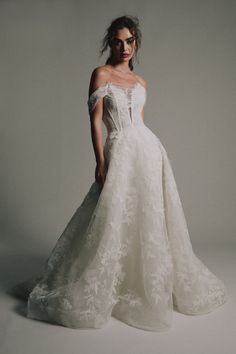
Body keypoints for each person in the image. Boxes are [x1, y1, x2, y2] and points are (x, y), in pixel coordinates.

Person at [13, 15, 228, 332]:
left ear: (136, 42)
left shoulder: (141, 81)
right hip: (120, 149)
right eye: (117, 41)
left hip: (149, 150)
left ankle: (142, 279)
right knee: (111, 213)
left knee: (148, 213)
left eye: (129, 41)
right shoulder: (100, 74)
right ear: (109, 43)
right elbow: (96, 120)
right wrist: (100, 160)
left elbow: (139, 119)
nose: (124, 47)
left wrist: (147, 149)